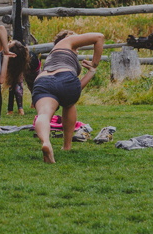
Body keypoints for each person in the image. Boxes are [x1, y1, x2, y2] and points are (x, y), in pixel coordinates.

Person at [33, 30, 103, 164]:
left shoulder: (55, 56)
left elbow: (74, 89)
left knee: (44, 114)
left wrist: (91, 72)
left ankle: (46, 142)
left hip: (43, 81)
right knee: (69, 104)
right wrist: (95, 64)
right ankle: (66, 146)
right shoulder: (65, 42)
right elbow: (99, 37)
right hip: (66, 80)